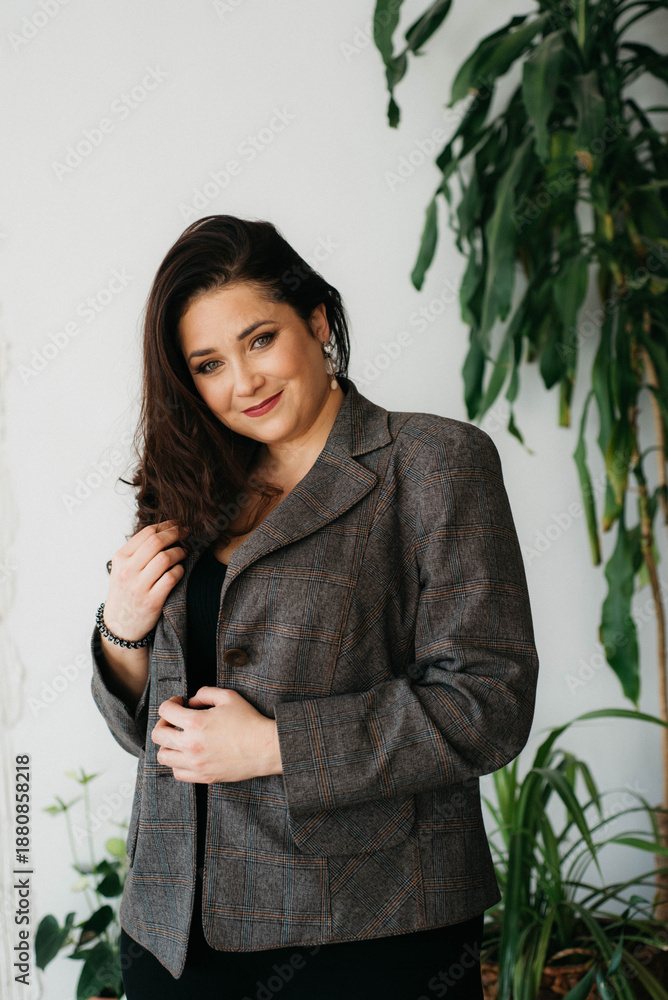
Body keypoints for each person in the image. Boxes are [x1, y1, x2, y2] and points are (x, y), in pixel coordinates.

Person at [90, 214, 540, 999]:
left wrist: (276, 746)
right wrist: (121, 629)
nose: (243, 382)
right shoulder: (193, 485)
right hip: (173, 935)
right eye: (208, 364)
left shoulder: (433, 463)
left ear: (318, 322)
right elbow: (151, 737)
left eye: (260, 340)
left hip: (371, 929)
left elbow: (488, 702)